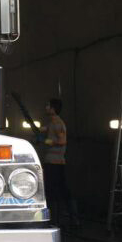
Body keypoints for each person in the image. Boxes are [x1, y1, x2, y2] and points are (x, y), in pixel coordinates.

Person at [40, 97, 77, 227]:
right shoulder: (52, 123)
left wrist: (48, 142)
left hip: (55, 163)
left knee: (55, 190)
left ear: (53, 109)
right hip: (52, 162)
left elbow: (62, 141)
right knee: (58, 189)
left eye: (48, 106)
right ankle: (63, 218)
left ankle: (57, 219)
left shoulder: (57, 123)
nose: (46, 108)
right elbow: (45, 129)